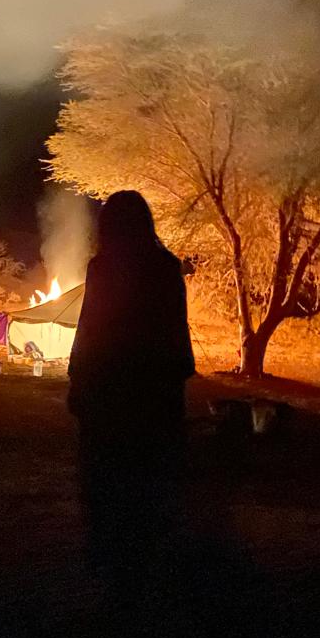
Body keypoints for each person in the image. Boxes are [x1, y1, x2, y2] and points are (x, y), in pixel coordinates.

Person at [68, 191, 196, 603]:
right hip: (154, 391)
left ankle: (115, 571)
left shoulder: (103, 268)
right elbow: (176, 333)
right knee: (149, 483)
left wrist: (79, 381)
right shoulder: (165, 268)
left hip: (111, 390)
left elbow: (90, 328)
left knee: (110, 481)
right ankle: (146, 570)